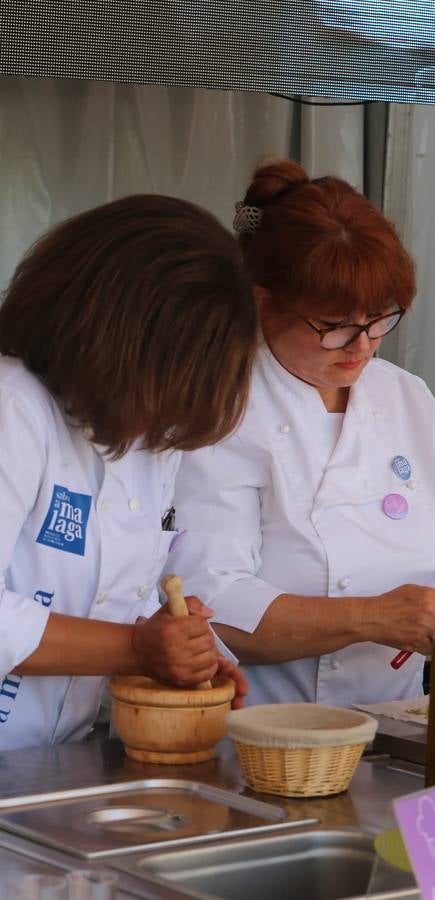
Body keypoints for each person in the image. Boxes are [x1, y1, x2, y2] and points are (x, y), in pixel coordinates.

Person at [169, 160, 435, 708]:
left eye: (380, 320)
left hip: (399, 722)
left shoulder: (407, 397)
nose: (363, 346)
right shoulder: (216, 407)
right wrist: (374, 617)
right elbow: (210, 603)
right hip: (259, 736)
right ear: (263, 302)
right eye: (335, 327)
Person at [0, 196, 254, 750]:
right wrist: (137, 647)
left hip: (50, 761)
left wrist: (186, 646)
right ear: (116, 340)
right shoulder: (11, 404)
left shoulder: (145, 436)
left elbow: (113, 591)